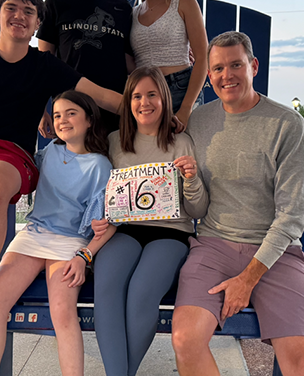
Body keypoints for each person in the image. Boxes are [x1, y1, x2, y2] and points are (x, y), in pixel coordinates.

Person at [0, 0, 122, 367]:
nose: (19, 16)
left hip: (8, 155)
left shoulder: (45, 66)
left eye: (28, 11)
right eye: (11, 8)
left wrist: (151, 109)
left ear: (38, 22)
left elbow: (100, 96)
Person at [172, 31, 304, 376]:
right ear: (208, 75)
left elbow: (293, 214)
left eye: (236, 65)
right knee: (185, 339)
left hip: (275, 253)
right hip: (212, 246)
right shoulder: (199, 122)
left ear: (254, 66)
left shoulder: (287, 124)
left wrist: (248, 279)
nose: (226, 75)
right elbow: (195, 204)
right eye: (217, 68)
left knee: (302, 356)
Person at [0, 91, 116, 376]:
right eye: (57, 115)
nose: (63, 120)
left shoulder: (100, 165)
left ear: (89, 120)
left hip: (70, 241)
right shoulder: (49, 151)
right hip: (34, 234)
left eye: (71, 113)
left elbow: (107, 222)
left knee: (62, 313)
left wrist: (83, 255)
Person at [92, 66, 208, 376]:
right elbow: (97, 189)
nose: (145, 103)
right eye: (137, 96)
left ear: (164, 99)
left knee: (142, 292)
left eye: (152, 95)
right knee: (106, 287)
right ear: (128, 102)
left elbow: (197, 211)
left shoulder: (181, 142)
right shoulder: (115, 142)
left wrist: (192, 178)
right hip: (125, 230)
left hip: (170, 233)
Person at [37, 0, 133, 134]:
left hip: (115, 113)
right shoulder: (57, 3)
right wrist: (40, 109)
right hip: (70, 112)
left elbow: (130, 62)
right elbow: (43, 62)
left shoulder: (123, 8)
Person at [131, 0, 208, 130]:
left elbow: (203, 57)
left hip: (181, 88)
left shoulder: (184, 3)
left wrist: (186, 108)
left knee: (187, 152)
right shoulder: (132, 14)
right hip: (144, 96)